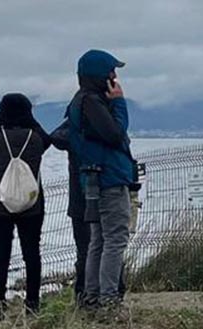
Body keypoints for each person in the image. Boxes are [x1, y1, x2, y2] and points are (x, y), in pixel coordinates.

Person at [67, 49, 137, 314]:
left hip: (95, 179)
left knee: (98, 240)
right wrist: (119, 103)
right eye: (111, 71)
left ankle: (92, 297)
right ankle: (109, 300)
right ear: (99, 75)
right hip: (109, 178)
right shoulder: (92, 103)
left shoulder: (82, 101)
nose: (115, 76)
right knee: (115, 239)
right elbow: (116, 134)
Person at [0, 93, 51, 316]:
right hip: (32, 204)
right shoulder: (35, 137)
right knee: (32, 253)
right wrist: (29, 119)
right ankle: (32, 303)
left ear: (2, 111)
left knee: (1, 255)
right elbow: (48, 140)